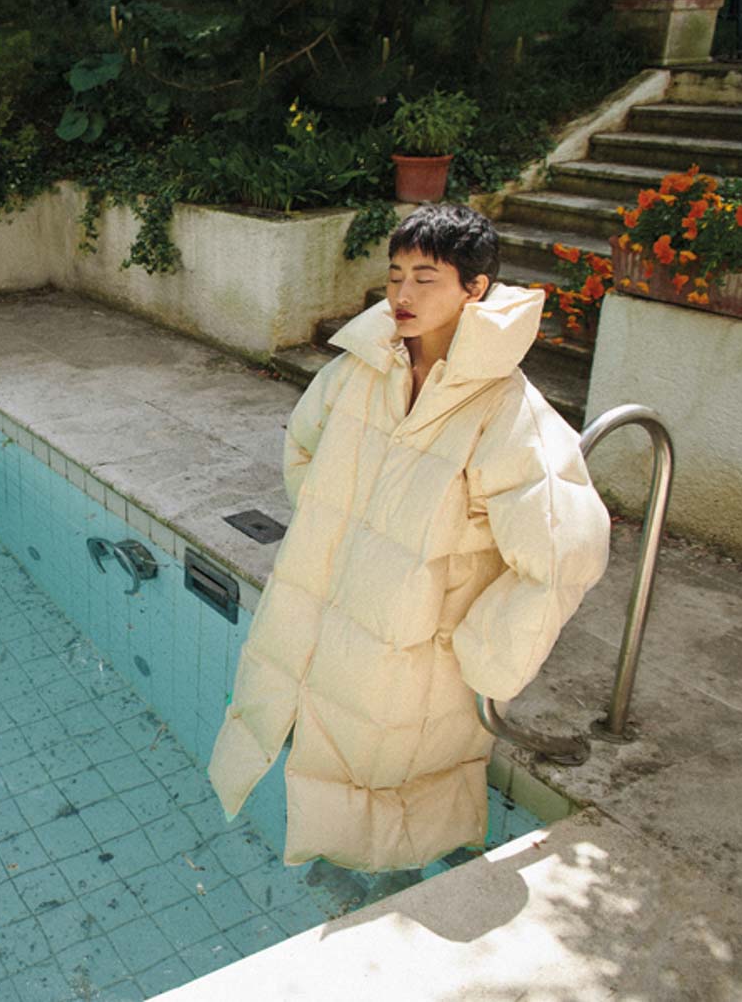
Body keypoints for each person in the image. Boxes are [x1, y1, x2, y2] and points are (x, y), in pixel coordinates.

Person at [207, 203, 613, 873]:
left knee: (394, 780)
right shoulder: (362, 368)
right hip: (332, 604)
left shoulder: (507, 412)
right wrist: (342, 528)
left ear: (475, 288)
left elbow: (564, 553)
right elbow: (303, 445)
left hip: (420, 641)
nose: (403, 293)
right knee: (322, 737)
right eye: (396, 274)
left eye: (426, 278)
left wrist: (481, 650)